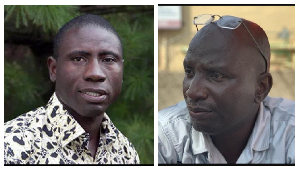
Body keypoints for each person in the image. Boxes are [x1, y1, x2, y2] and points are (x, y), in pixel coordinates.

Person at [158, 14, 294, 164]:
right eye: (190, 72)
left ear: (261, 87)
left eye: (216, 75)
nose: (192, 92)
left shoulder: (291, 131)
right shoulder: (166, 136)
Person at [4, 14, 140, 164]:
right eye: (78, 59)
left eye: (108, 60)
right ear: (54, 69)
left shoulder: (126, 153)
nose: (95, 73)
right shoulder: (12, 147)